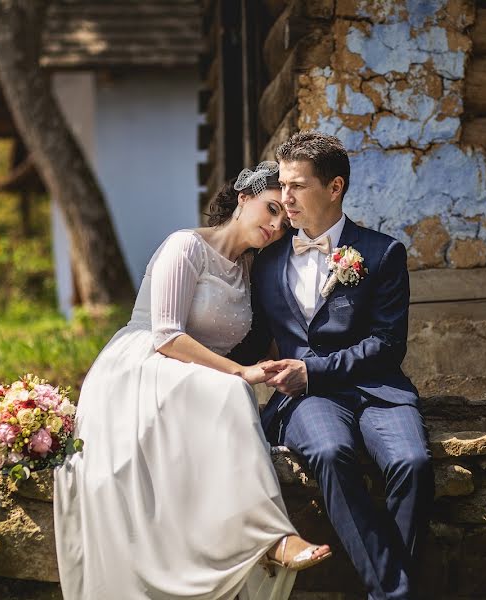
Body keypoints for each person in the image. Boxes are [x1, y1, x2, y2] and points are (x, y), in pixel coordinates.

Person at [53, 161, 331, 600]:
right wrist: (240, 372)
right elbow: (166, 334)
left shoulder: (250, 272)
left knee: (227, 394)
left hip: (196, 377)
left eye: (285, 218)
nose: (277, 225)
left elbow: (260, 341)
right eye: (270, 209)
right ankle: (272, 538)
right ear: (243, 198)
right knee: (232, 389)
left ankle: (240, 542)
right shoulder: (185, 246)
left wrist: (296, 370)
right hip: (143, 364)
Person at [230, 132, 435, 600]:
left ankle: (387, 589)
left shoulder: (382, 253)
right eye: (282, 185)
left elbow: (387, 345)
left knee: (413, 462)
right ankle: (395, 593)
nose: (285, 198)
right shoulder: (266, 262)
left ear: (335, 187)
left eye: (297, 186)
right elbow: (256, 340)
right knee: (328, 453)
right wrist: (186, 357)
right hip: (307, 402)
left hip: (378, 391)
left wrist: (313, 370)